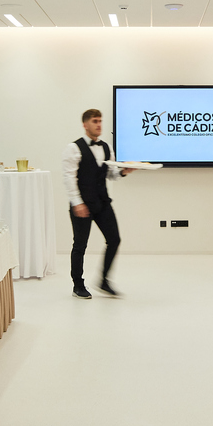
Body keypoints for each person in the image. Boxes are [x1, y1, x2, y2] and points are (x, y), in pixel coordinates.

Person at [62, 108, 134, 300]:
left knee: (114, 239)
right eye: (95, 121)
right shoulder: (73, 148)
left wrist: (124, 171)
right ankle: (78, 285)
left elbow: (111, 174)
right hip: (82, 204)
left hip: (102, 202)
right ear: (85, 124)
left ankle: (104, 280)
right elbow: (69, 178)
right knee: (80, 245)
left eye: (100, 121)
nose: (99, 124)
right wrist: (77, 203)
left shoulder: (106, 147)